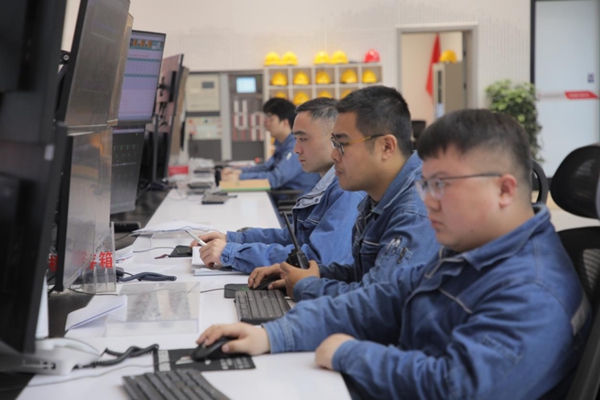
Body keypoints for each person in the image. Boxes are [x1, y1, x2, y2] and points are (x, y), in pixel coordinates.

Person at [197, 109, 590, 400]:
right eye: (426, 184)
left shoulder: (532, 290)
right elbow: (381, 300)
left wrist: (350, 353)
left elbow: (455, 388)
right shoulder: (474, 247)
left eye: (442, 185)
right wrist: (271, 334)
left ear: (504, 190)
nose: (428, 200)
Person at [249, 85, 437, 298]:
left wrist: (307, 286)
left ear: (386, 147)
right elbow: (363, 275)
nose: (334, 155)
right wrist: (307, 273)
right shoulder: (377, 197)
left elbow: (380, 301)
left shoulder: (413, 211)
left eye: (342, 144)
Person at [194, 98, 364, 273]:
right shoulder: (331, 185)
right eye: (296, 139)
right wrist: (233, 239)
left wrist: (232, 253)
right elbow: (294, 238)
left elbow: (315, 260)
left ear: (335, 139)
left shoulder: (348, 192)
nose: (296, 149)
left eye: (303, 139)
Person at [220, 97, 320, 195]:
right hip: (283, 195)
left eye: (271, 119)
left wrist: (240, 177)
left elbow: (276, 178)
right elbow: (267, 167)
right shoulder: (282, 143)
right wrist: (238, 172)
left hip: (293, 200)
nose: (265, 122)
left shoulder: (295, 146)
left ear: (285, 122)